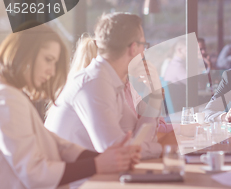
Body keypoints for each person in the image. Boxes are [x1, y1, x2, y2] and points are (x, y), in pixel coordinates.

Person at [0, 23, 140, 189]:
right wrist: (98, 164)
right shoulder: (8, 100)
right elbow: (34, 173)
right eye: (48, 60)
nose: (51, 72)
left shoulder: (12, 96)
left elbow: (60, 146)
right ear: (23, 53)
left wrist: (108, 158)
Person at [45, 13, 165, 159]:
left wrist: (155, 98)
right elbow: (116, 150)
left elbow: (137, 142)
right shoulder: (94, 84)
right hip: (78, 180)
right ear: (133, 48)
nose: (144, 53)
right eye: (143, 46)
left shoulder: (114, 82)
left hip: (96, 176)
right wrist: (165, 148)